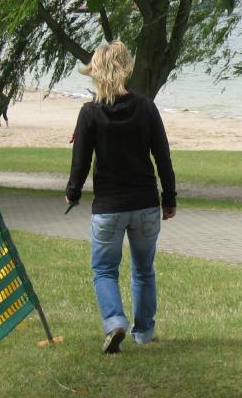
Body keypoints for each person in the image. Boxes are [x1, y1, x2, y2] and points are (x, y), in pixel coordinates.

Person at [65, 40, 177, 354]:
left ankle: (115, 321)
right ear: (126, 68)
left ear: (96, 72)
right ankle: (144, 333)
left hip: (109, 208)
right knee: (143, 270)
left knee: (104, 270)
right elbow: (162, 157)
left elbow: (80, 162)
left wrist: (72, 193)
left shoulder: (90, 113)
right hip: (144, 204)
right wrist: (169, 198)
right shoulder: (146, 107)